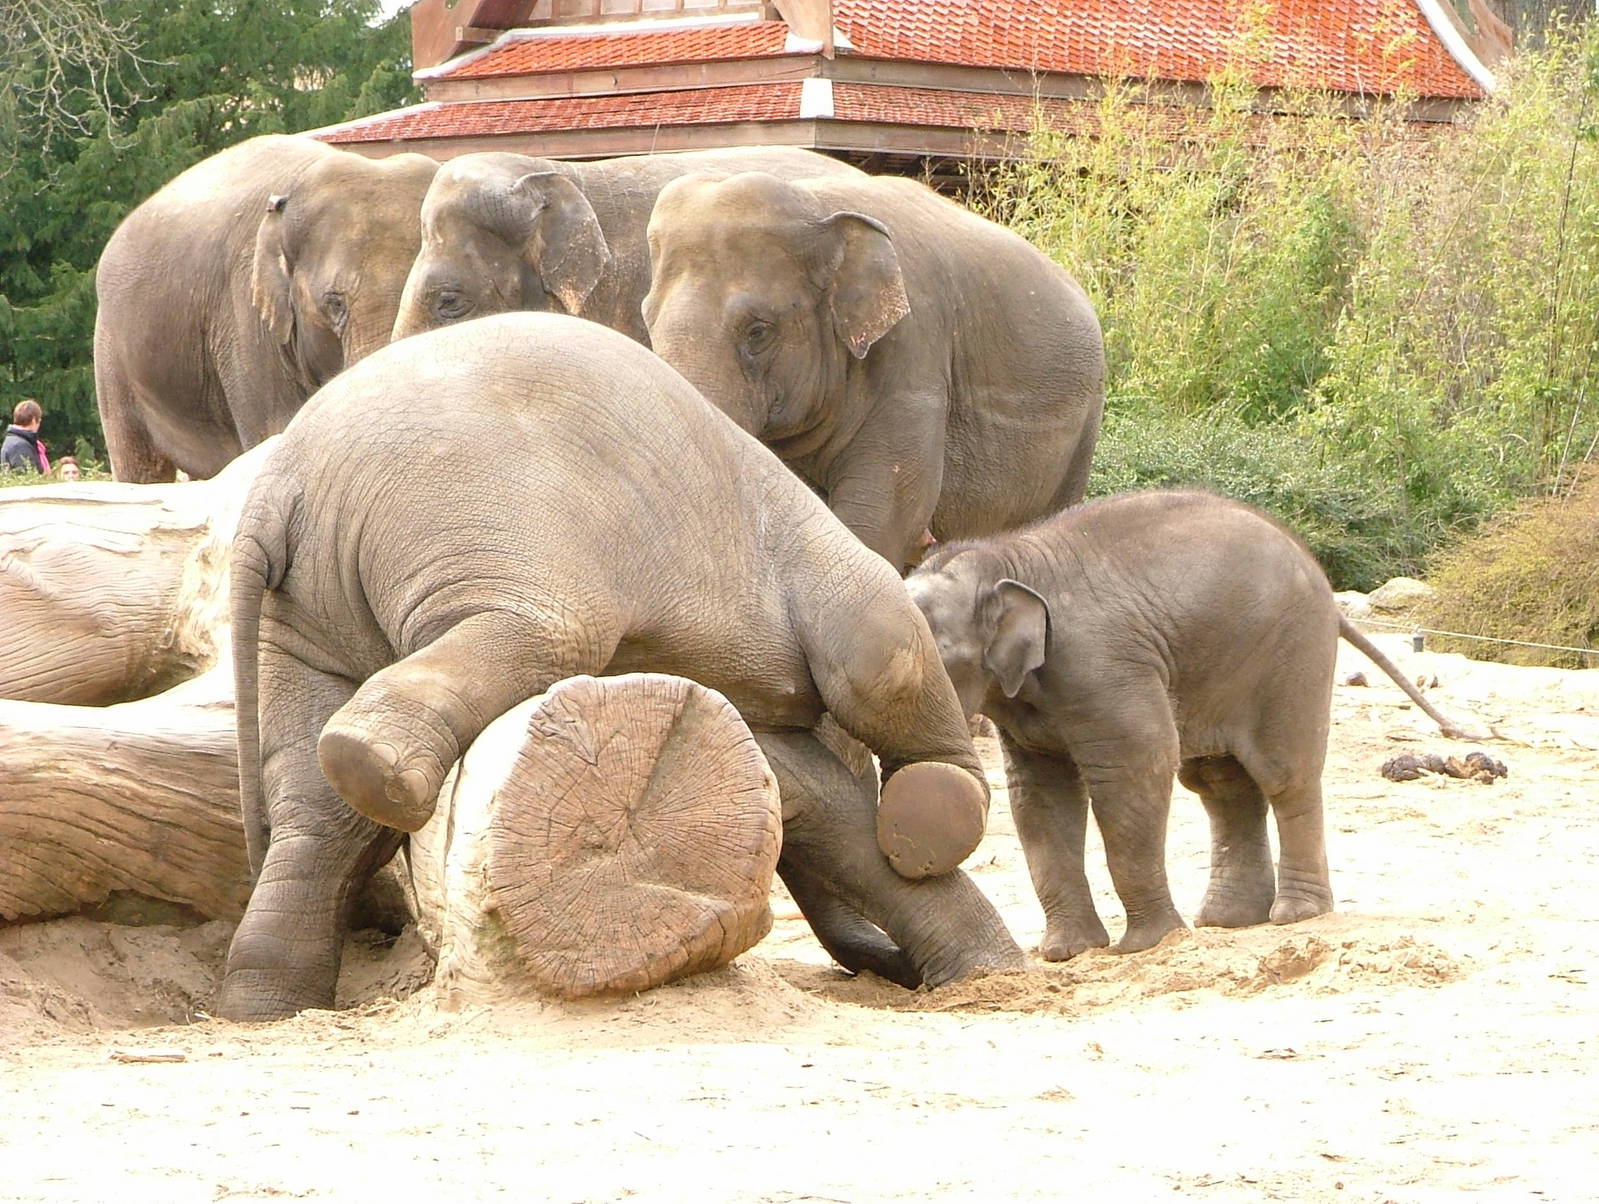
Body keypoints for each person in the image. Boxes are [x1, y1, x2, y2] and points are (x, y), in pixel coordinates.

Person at [2, 399, 50, 474]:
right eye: (39, 421)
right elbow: (27, 477)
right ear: (34, 420)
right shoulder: (20, 446)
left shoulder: (15, 441)